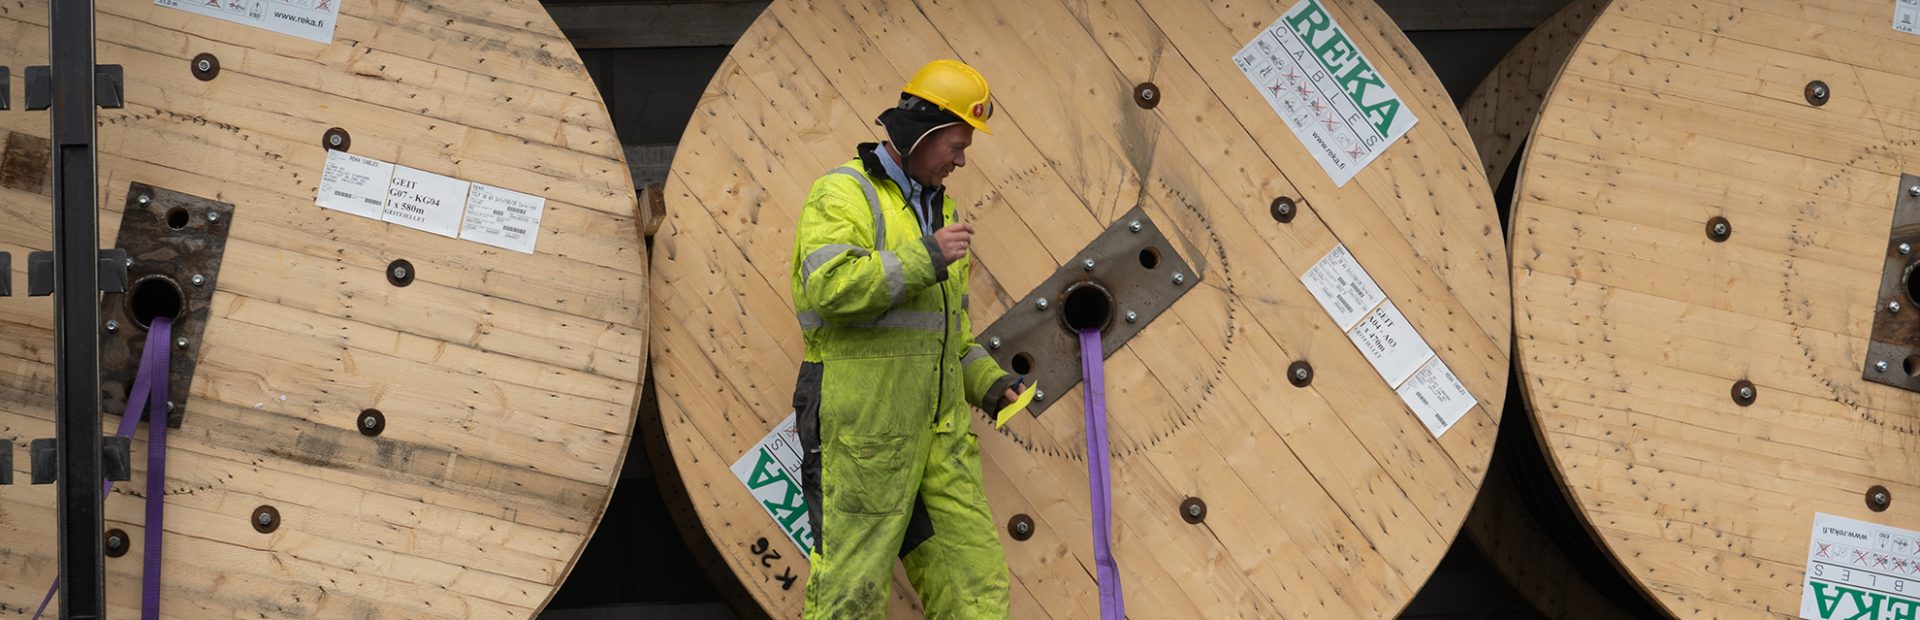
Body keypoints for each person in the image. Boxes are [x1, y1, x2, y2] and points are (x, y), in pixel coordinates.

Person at [788, 58, 1023, 618]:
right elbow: (828, 288)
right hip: (865, 438)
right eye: (956, 145)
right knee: (851, 594)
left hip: (939, 438)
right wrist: (926, 256)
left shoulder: (941, 208)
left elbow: (947, 337)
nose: (962, 161)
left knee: (977, 592)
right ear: (920, 132)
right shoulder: (842, 195)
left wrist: (990, 386)